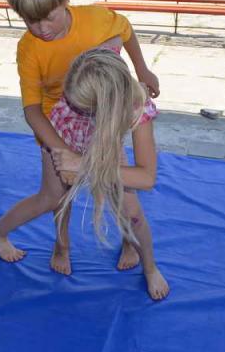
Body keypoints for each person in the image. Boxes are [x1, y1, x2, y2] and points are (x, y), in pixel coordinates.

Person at [0, 0, 162, 281]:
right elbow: (32, 109)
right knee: (54, 196)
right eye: (29, 20)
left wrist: (142, 68)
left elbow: (125, 30)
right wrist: (60, 151)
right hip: (59, 125)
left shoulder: (96, 20)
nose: (41, 28)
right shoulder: (29, 47)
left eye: (48, 17)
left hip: (103, 118)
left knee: (122, 193)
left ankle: (129, 242)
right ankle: (52, 243)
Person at [49, 49, 169, 300]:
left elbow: (147, 178)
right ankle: (62, 246)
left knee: (133, 213)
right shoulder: (78, 95)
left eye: (85, 108)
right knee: (60, 200)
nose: (76, 107)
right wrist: (66, 157)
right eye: (74, 102)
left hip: (106, 153)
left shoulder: (137, 107)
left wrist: (83, 165)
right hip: (68, 141)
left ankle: (149, 265)